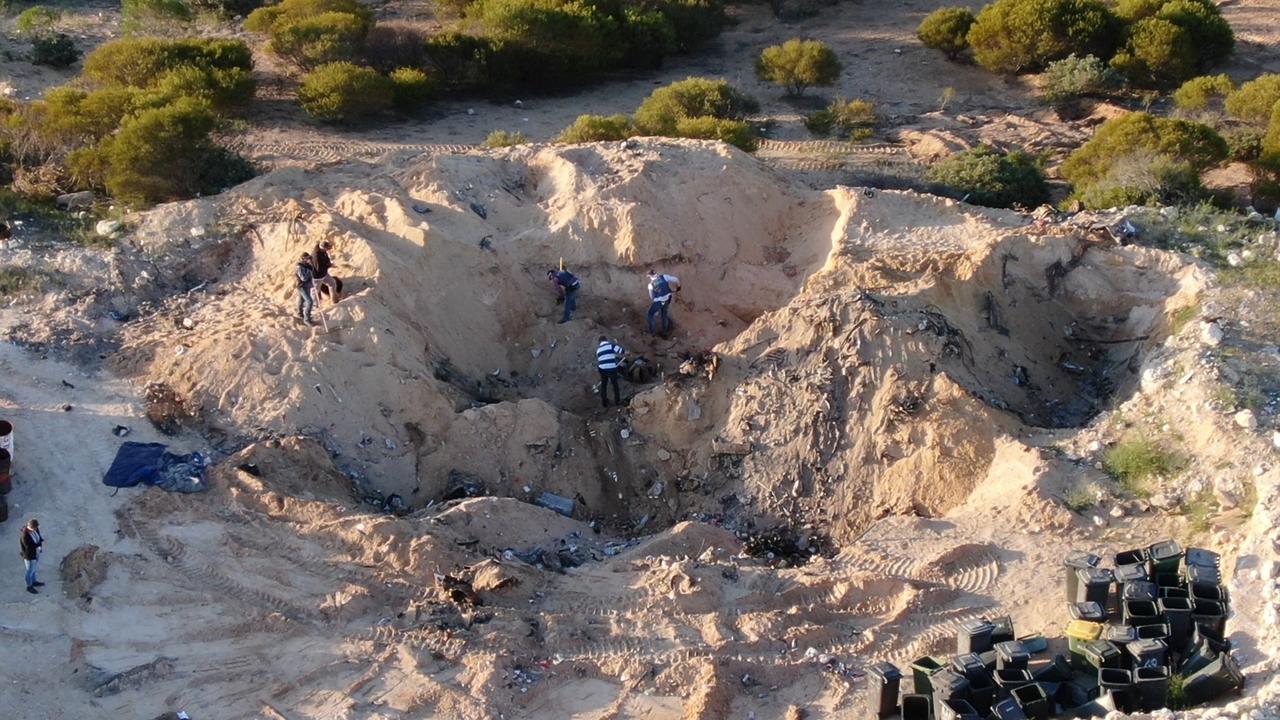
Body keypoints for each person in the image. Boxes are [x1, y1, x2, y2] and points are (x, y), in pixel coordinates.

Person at [646, 268, 680, 336]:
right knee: (664, 314)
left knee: (650, 314)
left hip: (659, 302)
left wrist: (657, 306)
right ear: (655, 273)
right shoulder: (664, 277)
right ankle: (665, 332)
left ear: (649, 276)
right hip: (667, 299)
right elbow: (676, 279)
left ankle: (652, 333)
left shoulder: (651, 285)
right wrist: (678, 287)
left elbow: (652, 297)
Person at [596, 336, 624, 407]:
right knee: (615, 385)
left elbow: (600, 360)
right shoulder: (611, 345)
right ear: (606, 340)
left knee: (604, 385)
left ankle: (604, 402)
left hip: (602, 369)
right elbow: (621, 351)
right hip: (611, 368)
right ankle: (617, 401)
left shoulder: (598, 350)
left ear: (600, 342)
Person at [19, 518, 43, 594]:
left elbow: (38, 536)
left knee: (34, 569)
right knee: (29, 571)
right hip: (29, 556)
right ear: (31, 527)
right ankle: (29, 586)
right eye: (34, 528)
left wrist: (40, 541)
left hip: (36, 553)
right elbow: (29, 547)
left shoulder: (36, 529)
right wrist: (38, 545)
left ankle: (34, 581)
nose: (36, 529)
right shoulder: (25, 535)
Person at [296, 252, 316, 325]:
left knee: (301, 300)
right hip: (302, 286)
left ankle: (300, 313)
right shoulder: (299, 267)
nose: (309, 260)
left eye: (309, 258)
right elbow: (303, 278)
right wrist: (309, 271)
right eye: (307, 258)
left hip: (307, 286)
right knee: (309, 301)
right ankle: (307, 319)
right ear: (303, 259)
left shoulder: (308, 266)